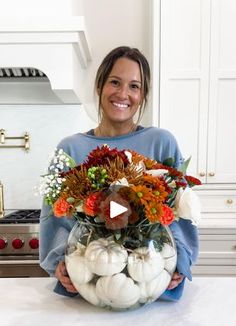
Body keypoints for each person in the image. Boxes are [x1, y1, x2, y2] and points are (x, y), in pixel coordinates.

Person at [39, 46, 199, 302]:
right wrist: (60, 262)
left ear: (143, 94)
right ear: (100, 86)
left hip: (151, 283)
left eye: (134, 86)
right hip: (90, 284)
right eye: (115, 82)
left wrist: (179, 259)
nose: (123, 94)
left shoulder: (161, 142)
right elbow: (54, 218)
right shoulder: (70, 148)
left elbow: (179, 214)